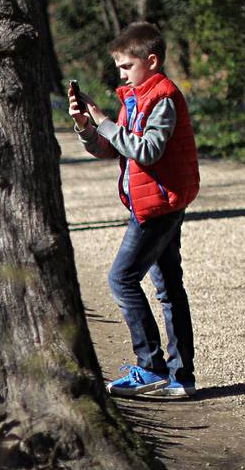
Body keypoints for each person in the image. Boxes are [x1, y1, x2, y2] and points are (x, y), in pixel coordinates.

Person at [70, 21, 200, 398]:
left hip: (158, 205)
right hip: (154, 202)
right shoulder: (135, 96)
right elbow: (114, 147)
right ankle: (181, 377)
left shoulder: (162, 98)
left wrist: (105, 122)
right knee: (168, 287)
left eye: (127, 66)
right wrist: (86, 128)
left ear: (152, 61)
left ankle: (150, 366)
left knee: (121, 279)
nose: (121, 73)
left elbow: (146, 150)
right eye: (119, 68)